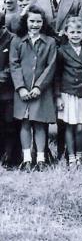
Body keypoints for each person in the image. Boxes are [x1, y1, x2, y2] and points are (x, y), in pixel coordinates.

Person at [9, 5, 57, 171]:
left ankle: (41, 159)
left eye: (38, 21)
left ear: (43, 23)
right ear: (25, 21)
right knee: (25, 123)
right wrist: (21, 88)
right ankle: (27, 159)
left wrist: (39, 87)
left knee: (40, 124)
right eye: (32, 21)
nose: (35, 24)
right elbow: (13, 65)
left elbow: (51, 66)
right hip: (22, 91)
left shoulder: (50, 42)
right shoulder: (17, 40)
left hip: (41, 91)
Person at [55, 17, 82, 168]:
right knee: (69, 126)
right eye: (72, 32)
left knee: (81, 127)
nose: (75, 35)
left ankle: (81, 156)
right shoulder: (61, 51)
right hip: (68, 93)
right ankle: (71, 157)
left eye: (78, 31)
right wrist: (58, 96)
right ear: (66, 33)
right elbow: (57, 76)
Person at [0, 23, 20, 167]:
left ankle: (11, 158)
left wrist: (3, 75)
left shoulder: (12, 39)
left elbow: (15, 63)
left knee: (10, 124)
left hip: (9, 91)